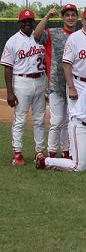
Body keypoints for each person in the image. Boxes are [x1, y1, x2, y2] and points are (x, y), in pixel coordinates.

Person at [2, 9, 47, 165]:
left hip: (41, 80)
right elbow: (8, 68)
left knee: (40, 119)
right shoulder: (13, 41)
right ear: (19, 23)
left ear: (34, 22)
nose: (28, 23)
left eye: (30, 21)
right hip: (22, 81)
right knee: (20, 119)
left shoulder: (40, 37)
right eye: (24, 21)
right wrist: (10, 92)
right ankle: (17, 153)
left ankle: (40, 151)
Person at [34, 4, 78, 159]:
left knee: (68, 121)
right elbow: (37, 35)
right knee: (57, 121)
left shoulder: (79, 36)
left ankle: (66, 151)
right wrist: (47, 16)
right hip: (56, 82)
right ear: (63, 17)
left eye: (73, 15)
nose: (70, 18)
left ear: (77, 17)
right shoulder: (53, 33)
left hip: (74, 84)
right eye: (67, 15)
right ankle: (52, 152)